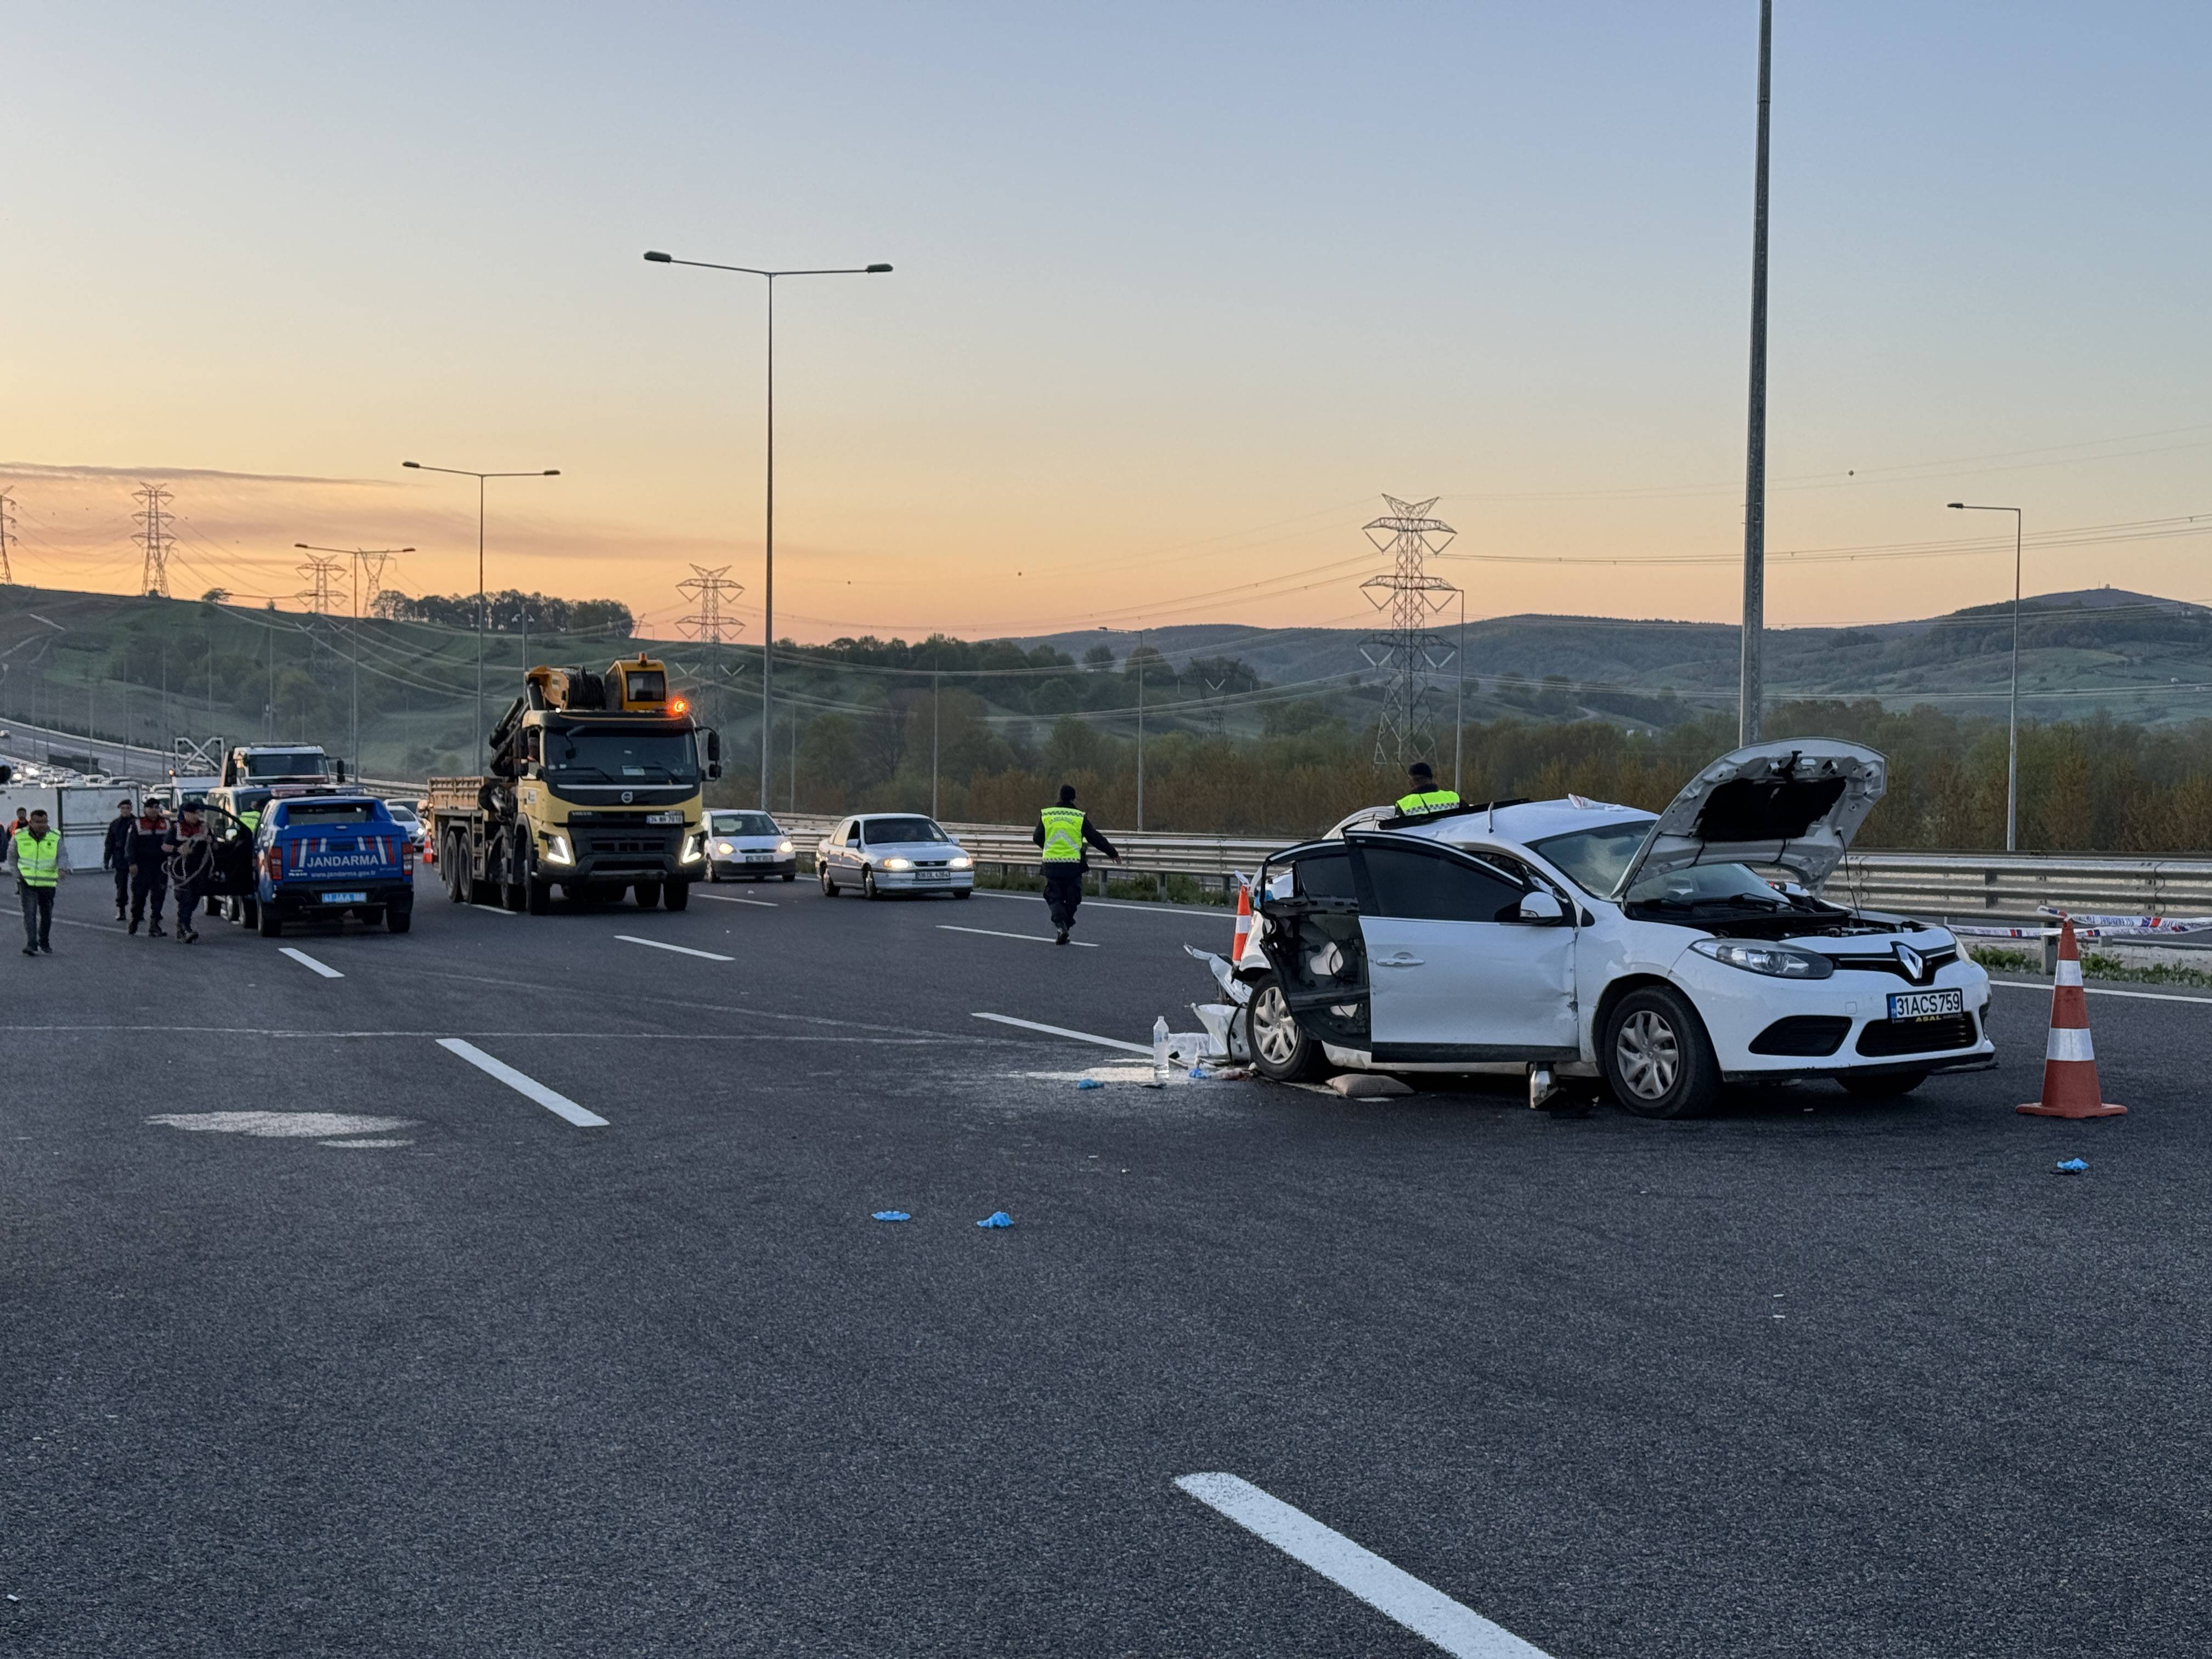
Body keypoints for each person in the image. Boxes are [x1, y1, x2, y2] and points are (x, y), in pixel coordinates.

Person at [1032, 783, 1120, 946]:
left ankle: (1061, 926)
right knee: (1073, 897)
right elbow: (1094, 837)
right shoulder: (1079, 817)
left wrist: (1050, 848)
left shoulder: (1047, 815)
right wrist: (1112, 852)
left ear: (1059, 797)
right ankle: (1066, 924)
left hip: (1052, 864)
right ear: (1074, 799)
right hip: (1073, 866)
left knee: (1055, 897)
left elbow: (1037, 838)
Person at [4, 806, 67, 955]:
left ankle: (44, 941)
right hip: (27, 882)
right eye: (38, 822)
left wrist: (62, 869)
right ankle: (31, 944)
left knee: (47, 915)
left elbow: (63, 855)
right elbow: (12, 856)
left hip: (48, 883)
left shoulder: (55, 837)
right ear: (30, 822)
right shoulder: (20, 836)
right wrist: (17, 875)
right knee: (30, 914)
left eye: (44, 822)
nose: (41, 825)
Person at [165, 805, 217, 944]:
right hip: (181, 869)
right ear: (185, 814)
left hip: (199, 869)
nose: (197, 815)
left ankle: (181, 925)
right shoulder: (176, 828)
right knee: (186, 897)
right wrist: (178, 849)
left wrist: (212, 842)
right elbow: (165, 846)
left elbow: (215, 846)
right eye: (194, 813)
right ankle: (186, 928)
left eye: (198, 812)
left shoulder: (205, 827)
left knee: (195, 898)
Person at [128, 801, 171, 937]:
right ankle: (134, 920)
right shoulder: (138, 824)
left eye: (156, 808)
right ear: (145, 809)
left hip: (161, 866)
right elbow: (131, 845)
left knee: (159, 897)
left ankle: (155, 925)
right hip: (142, 866)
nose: (153, 810)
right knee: (139, 896)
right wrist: (132, 863)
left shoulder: (166, 824)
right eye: (150, 808)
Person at [103, 797, 137, 921]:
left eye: (127, 808)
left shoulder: (137, 823)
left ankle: (138, 910)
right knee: (121, 887)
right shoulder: (115, 824)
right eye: (123, 808)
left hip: (135, 859)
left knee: (138, 887)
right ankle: (121, 910)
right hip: (120, 859)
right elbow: (109, 843)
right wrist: (107, 859)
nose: (125, 811)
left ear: (131, 809)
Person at [1395, 761, 1462, 815]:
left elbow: (1397, 829)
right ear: (1431, 778)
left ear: (1411, 782)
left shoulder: (1404, 804)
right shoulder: (1454, 798)